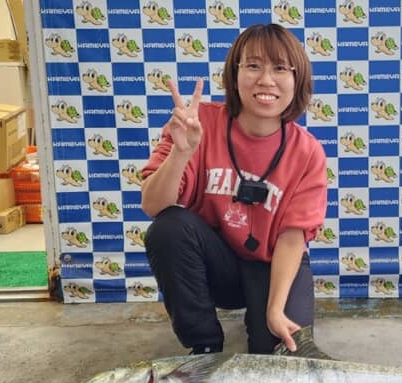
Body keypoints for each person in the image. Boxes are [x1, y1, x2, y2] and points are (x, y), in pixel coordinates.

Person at [140, 24, 327, 355]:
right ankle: (204, 346)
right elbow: (153, 206)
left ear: (297, 79)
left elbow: (292, 238)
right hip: (219, 264)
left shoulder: (307, 151)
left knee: (282, 355)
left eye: (280, 68)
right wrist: (180, 153)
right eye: (253, 65)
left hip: (272, 263)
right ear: (234, 73)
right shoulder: (198, 125)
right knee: (168, 228)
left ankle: (266, 317)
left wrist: (274, 310)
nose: (266, 80)